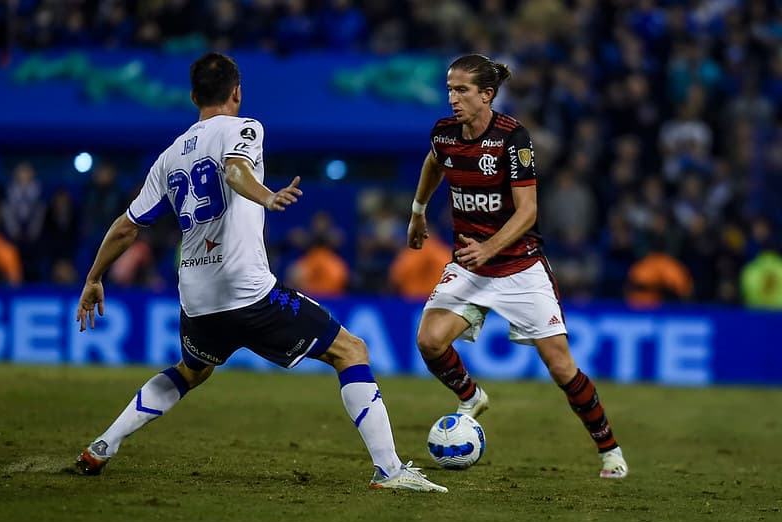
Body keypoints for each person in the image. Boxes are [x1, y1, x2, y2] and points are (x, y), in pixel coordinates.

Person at [74, 52, 446, 493]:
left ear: (193, 96)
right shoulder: (244, 128)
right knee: (351, 350)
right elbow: (234, 170)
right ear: (237, 92)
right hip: (247, 292)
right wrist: (267, 196)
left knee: (191, 370)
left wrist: (93, 278)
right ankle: (390, 471)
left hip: (196, 299)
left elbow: (126, 226)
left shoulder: (169, 156)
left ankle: (103, 444)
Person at [406, 54, 628, 479]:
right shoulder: (444, 134)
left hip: (519, 267)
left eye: (462, 90)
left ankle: (609, 449)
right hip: (471, 266)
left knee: (562, 368)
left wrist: (489, 249)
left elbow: (527, 213)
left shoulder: (513, 138)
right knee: (430, 341)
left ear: (486, 95)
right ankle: (471, 397)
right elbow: (435, 162)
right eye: (450, 89)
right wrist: (418, 211)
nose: (452, 98)